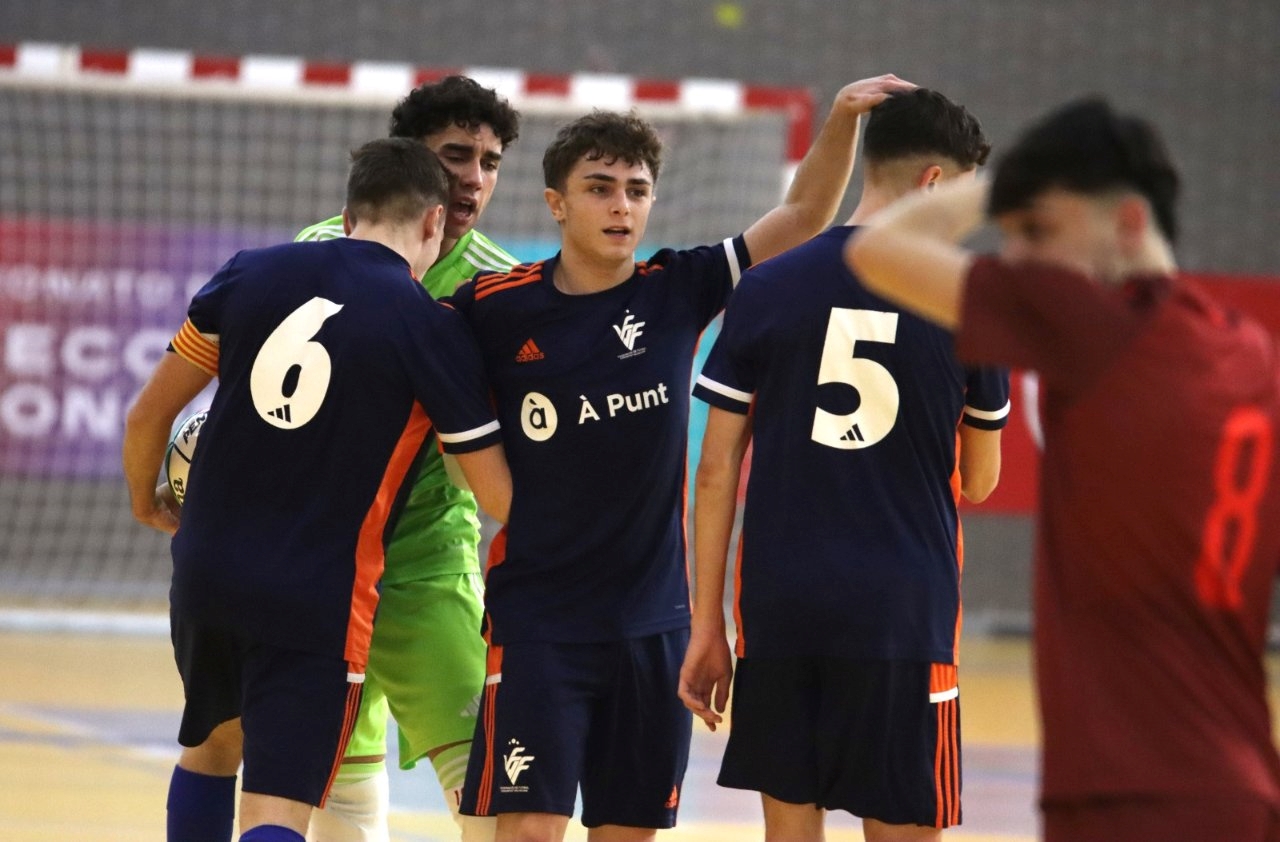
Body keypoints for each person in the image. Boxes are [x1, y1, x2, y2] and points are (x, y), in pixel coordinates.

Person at [448, 74, 916, 842]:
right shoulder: (492, 307)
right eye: (599, 188)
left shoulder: (678, 287)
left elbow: (801, 215)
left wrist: (838, 120)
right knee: (528, 829)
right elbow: (410, 360)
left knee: (625, 833)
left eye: (636, 190)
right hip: (539, 622)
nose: (621, 206)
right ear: (555, 203)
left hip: (652, 626)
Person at [844, 98, 1280, 841]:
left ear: (1131, 224)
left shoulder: (1096, 329)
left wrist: (1001, 179)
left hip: (1129, 794)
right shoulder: (1247, 353)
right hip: (1241, 788)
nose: (1015, 259)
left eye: (1038, 230)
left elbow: (878, 248)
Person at [122, 138, 512, 842]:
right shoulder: (429, 326)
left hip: (206, 570)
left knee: (211, 750)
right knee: (279, 805)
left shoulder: (250, 274)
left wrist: (145, 501)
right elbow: (490, 491)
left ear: (346, 214)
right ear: (433, 224)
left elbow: (150, 412)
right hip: (318, 595)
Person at [678, 88, 1008, 842]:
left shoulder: (767, 285)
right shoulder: (971, 300)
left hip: (780, 604)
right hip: (903, 612)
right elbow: (981, 479)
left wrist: (708, 625)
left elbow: (715, 470)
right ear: (932, 183)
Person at [295, 76, 520, 842]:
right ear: (407, 158)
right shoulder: (319, 251)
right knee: (342, 798)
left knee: (490, 797)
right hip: (322, 567)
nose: (473, 178)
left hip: (425, 565)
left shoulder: (498, 285)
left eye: (489, 162)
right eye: (456, 155)